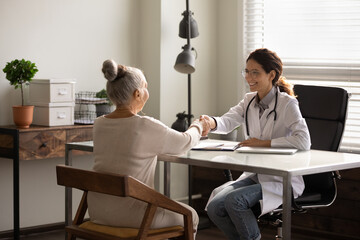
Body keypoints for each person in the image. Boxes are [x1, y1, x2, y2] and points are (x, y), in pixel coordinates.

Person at [201, 48, 311, 240]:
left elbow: (303, 141)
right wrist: (211, 122)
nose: (249, 77)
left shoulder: (287, 104)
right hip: (256, 174)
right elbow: (228, 121)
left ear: (272, 75)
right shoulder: (249, 100)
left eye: (255, 72)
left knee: (235, 201)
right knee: (214, 206)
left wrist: (264, 143)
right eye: (246, 71)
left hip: (282, 179)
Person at [87, 59, 207, 233]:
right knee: (191, 215)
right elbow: (185, 142)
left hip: (98, 212)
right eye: (145, 86)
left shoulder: (99, 124)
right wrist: (198, 125)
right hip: (135, 216)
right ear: (137, 94)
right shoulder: (144, 125)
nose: (147, 92)